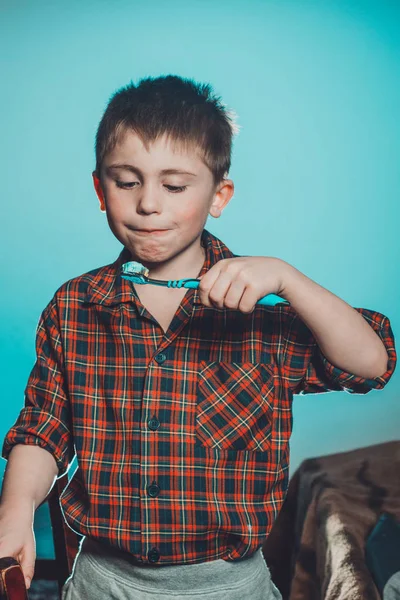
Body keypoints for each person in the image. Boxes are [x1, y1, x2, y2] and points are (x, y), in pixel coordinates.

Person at [0, 74, 396, 600]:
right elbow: (44, 428)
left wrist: (289, 278)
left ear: (219, 195)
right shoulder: (75, 306)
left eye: (175, 185)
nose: (148, 205)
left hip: (232, 586)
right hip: (102, 581)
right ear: (99, 189)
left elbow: (372, 363)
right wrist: (15, 511)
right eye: (126, 181)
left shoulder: (266, 311)